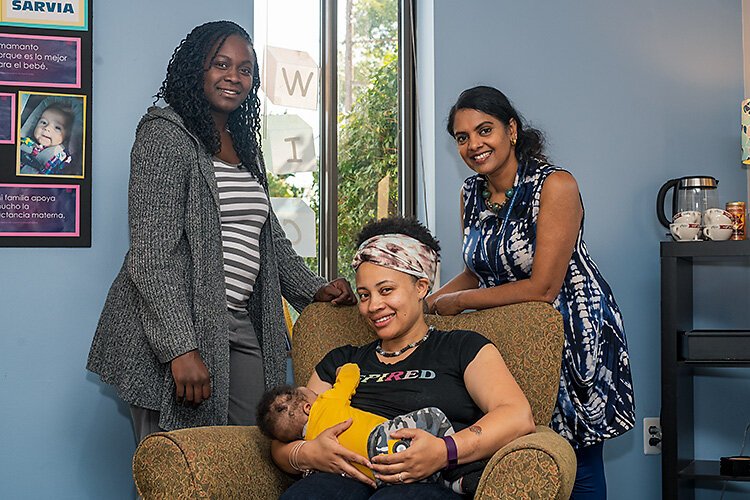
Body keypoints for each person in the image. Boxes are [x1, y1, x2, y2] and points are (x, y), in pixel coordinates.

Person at [86, 21, 355, 443]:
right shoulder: (165, 135)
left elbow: (268, 240)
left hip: (236, 318)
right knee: (178, 465)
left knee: (258, 446)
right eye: (221, 64)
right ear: (197, 69)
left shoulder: (244, 143)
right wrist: (179, 347)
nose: (234, 76)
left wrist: (314, 289)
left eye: (245, 69)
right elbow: (151, 253)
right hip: (176, 323)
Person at [428, 85, 635, 499]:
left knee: (575, 455)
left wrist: (460, 304)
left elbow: (543, 287)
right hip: (511, 333)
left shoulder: (555, 185)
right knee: (521, 449)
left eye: (484, 130)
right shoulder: (471, 193)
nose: (474, 144)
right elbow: (478, 268)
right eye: (462, 137)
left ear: (512, 129)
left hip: (571, 329)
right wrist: (430, 302)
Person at [272, 216, 535, 499]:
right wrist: (308, 453)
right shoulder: (341, 362)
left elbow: (517, 416)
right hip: (343, 476)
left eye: (386, 290)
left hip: (427, 482)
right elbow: (284, 434)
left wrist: (445, 451)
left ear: (421, 287)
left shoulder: (462, 347)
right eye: (364, 295)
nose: (373, 306)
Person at [256, 363, 463, 489]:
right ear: (309, 408)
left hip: (374, 475)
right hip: (383, 437)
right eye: (311, 393)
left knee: (411, 476)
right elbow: (349, 377)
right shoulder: (327, 401)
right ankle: (457, 473)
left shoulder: (310, 441)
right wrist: (344, 369)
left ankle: (451, 481)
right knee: (433, 417)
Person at [19, 103, 74, 175]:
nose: (47, 128)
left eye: (57, 127)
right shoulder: (23, 142)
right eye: (44, 122)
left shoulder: (63, 158)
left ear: (67, 136)